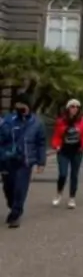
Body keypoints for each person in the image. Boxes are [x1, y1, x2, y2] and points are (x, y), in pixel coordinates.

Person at [0, 93, 47, 228]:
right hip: (8, 161)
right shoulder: (8, 121)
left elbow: (41, 143)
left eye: (23, 105)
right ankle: (13, 205)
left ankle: (15, 213)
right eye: (18, 104)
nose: (21, 107)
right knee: (8, 188)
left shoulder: (37, 123)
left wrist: (41, 161)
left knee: (20, 188)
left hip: (25, 161)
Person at [51, 99, 83, 209]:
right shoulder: (61, 120)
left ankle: (72, 197)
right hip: (63, 151)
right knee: (63, 174)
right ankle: (59, 193)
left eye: (77, 107)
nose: (75, 109)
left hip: (77, 151)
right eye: (72, 106)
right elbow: (56, 135)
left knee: (74, 174)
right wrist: (56, 145)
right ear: (68, 108)